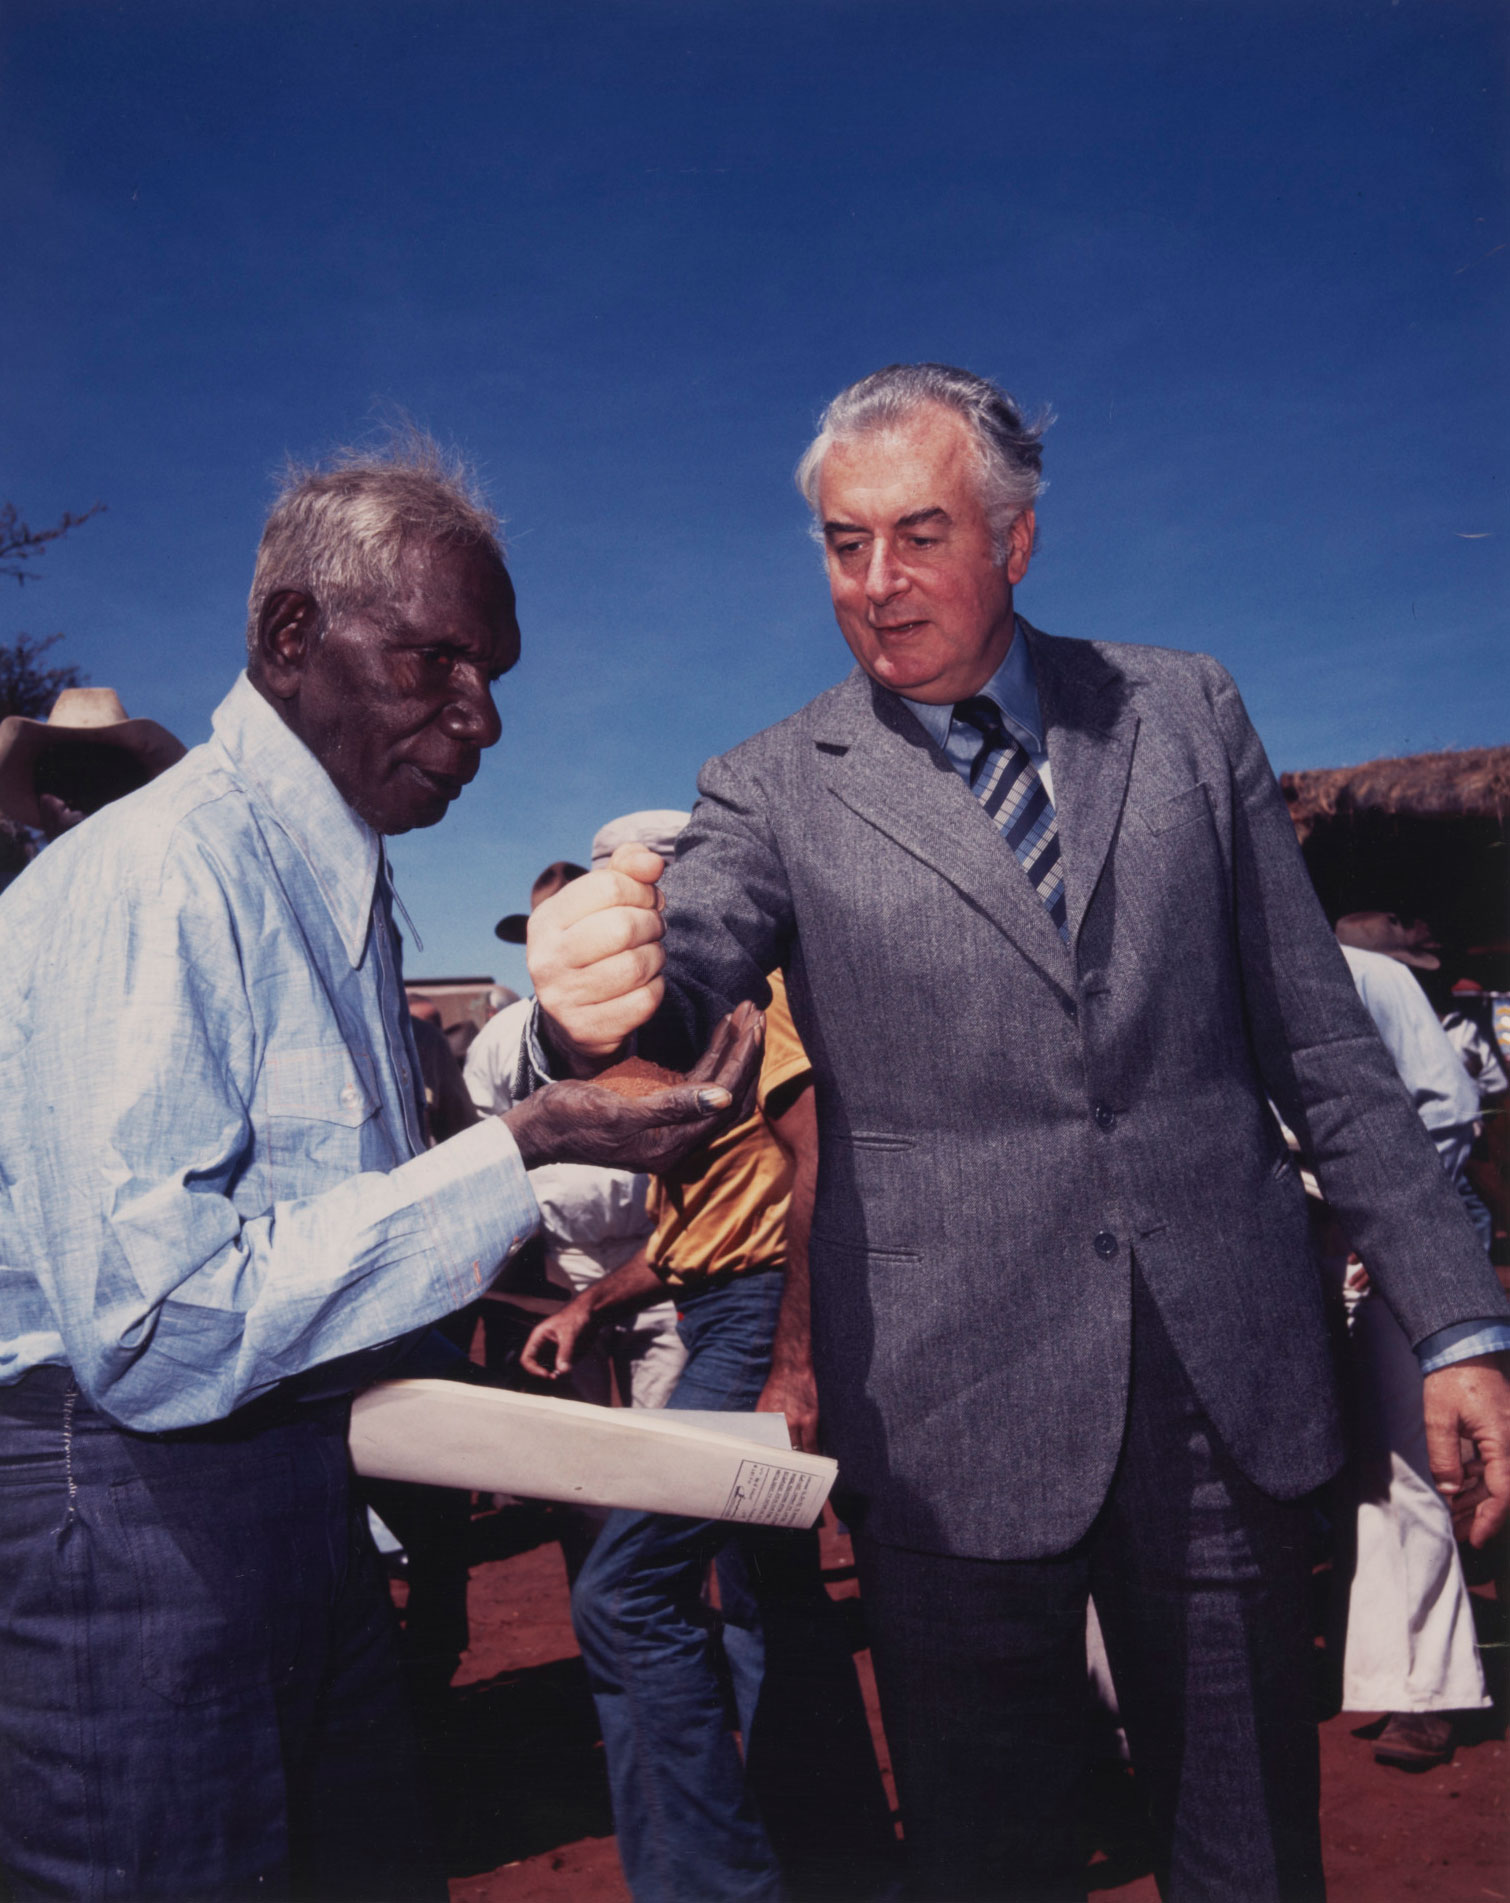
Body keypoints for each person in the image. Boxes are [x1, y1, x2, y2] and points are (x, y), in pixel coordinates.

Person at [525, 363, 1510, 1901]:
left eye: (918, 533)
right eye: (843, 544)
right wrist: (595, 1001)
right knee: (993, 1856)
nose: (875, 582)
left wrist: (1454, 1322)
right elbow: (686, 976)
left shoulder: (1182, 711)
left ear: (1016, 539)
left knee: (1246, 1840)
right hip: (941, 1403)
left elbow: (1320, 1040)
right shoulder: (770, 784)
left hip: (1220, 1380)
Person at [0, 440, 760, 1902]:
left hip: (288, 1494)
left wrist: (554, 1109)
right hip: (134, 1517)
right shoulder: (165, 872)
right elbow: (153, 1324)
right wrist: (525, 1145)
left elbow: (317, 1223)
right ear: (294, 639)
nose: (480, 718)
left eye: (495, 676)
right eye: (439, 662)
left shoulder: (328, 879)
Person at [521, 967, 894, 1903]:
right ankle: (843, 1868)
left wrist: (794, 1359)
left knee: (626, 1589)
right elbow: (701, 1238)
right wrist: (591, 1302)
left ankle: (717, 1887)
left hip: (766, 1316)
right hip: (724, 1313)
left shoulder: (751, 1001)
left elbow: (818, 1157)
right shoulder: (680, 1039)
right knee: (767, 1593)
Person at [1325, 935, 1491, 1769]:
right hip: (1276, 1238)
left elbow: (1448, 1105)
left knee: (1404, 1464)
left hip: (1384, 1236)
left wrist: (1384, 1217)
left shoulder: (1371, 976)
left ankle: (1428, 1683)